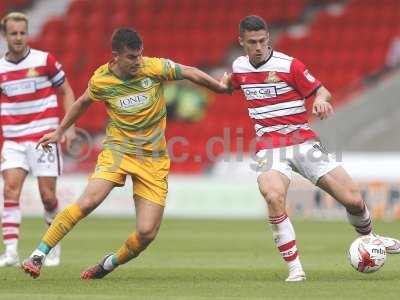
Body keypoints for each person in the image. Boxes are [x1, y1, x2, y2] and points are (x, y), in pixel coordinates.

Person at [21, 27, 230, 279]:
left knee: (146, 233)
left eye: (140, 55)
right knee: (87, 202)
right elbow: (82, 102)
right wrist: (60, 131)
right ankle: (38, 254)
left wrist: (218, 88)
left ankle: (107, 264)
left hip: (153, 160)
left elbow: (190, 72)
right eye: (132, 56)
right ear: (116, 56)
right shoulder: (101, 80)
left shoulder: (152, 68)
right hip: (117, 152)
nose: (138, 61)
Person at [225, 15, 400, 282]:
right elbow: (230, 85)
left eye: (262, 40)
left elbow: (322, 91)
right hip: (269, 146)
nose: (258, 46)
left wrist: (320, 101)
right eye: (252, 42)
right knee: (273, 197)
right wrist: (219, 82)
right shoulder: (238, 67)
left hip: (303, 141)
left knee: (352, 199)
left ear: (268, 38)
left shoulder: (289, 65)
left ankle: (370, 238)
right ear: (242, 42)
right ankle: (295, 269)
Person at [0, 12, 76, 267]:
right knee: (10, 189)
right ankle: (10, 252)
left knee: (48, 197)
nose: (19, 37)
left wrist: (69, 125)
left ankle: (53, 247)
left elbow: (66, 90)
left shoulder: (44, 61)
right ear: (5, 35)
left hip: (43, 137)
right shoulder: (0, 69)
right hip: (13, 138)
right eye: (14, 33)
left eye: (22, 32)